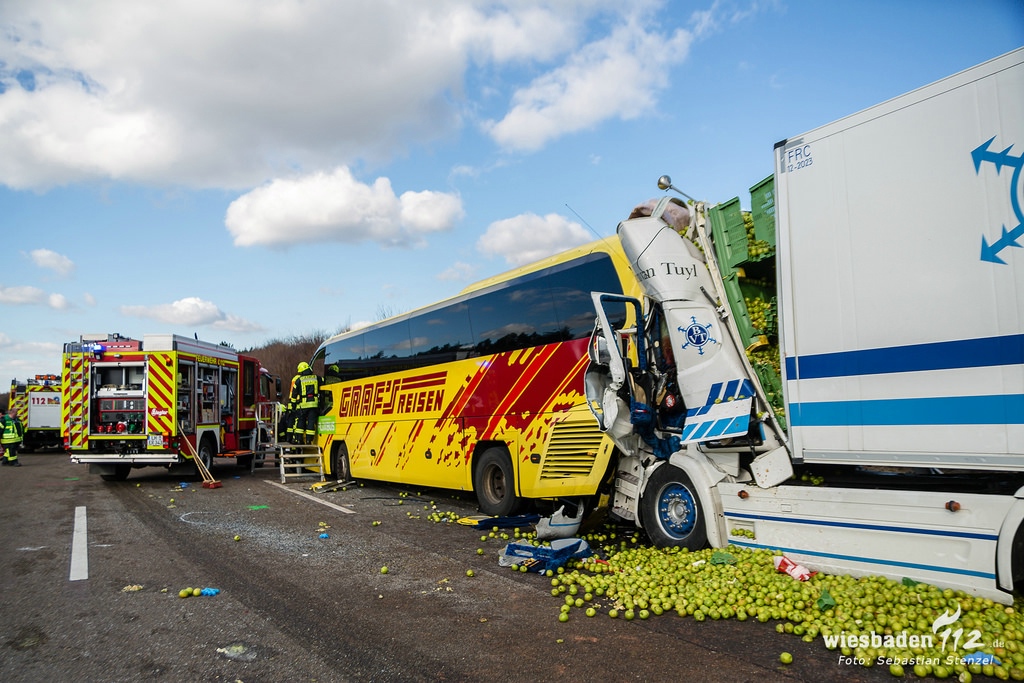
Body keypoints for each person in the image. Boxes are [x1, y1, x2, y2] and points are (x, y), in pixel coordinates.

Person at [289, 362, 320, 445]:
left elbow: (294, 394)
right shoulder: (316, 378)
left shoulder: (299, 380)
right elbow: (324, 381)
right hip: (314, 405)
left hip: (303, 405)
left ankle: (299, 440)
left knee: (301, 422)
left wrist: (293, 405)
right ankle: (309, 440)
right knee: (311, 422)